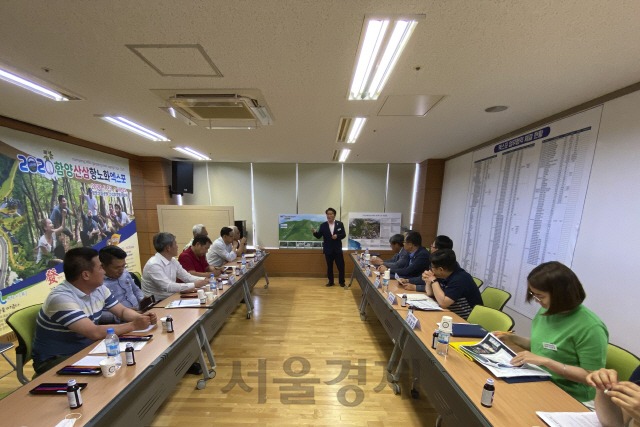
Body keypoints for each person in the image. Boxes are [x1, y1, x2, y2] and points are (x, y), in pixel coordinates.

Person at [495, 261, 609, 405]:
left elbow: (592, 376)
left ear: (561, 295)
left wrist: (547, 362)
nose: (536, 300)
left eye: (540, 296)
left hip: (572, 395)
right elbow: (543, 345)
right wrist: (512, 338)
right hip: (539, 378)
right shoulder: (546, 311)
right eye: (533, 294)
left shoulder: (591, 327)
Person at [30, 247, 156, 376]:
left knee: (128, 360)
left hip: (88, 349)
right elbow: (94, 332)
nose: (103, 271)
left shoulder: (99, 289)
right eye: (100, 268)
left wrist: (142, 318)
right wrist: (134, 325)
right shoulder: (61, 298)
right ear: (86, 275)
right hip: (55, 359)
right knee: (114, 371)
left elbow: (122, 311)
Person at [401, 249, 482, 320]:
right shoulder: (444, 274)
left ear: (441, 269)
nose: (430, 269)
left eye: (432, 267)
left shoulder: (460, 279)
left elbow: (443, 303)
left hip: (464, 319)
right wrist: (428, 280)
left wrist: (433, 281)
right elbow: (430, 293)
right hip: (449, 313)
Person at [141, 232, 208, 300]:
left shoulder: (172, 260)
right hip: (157, 303)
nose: (177, 246)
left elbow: (186, 277)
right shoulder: (154, 265)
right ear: (168, 247)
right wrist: (194, 284)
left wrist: (205, 280)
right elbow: (168, 286)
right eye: (175, 244)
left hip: (171, 297)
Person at [98, 245, 146, 324]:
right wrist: (123, 316)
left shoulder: (125, 273)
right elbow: (97, 314)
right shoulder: (99, 284)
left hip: (140, 313)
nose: (121, 270)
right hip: (120, 323)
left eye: (123, 266)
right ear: (103, 266)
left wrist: (142, 300)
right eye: (117, 268)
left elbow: (136, 290)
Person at [312, 208, 346, 287]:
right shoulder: (323, 225)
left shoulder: (340, 224)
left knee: (341, 266)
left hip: (337, 249)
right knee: (329, 267)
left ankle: (342, 282)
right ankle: (331, 282)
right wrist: (315, 233)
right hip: (328, 249)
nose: (329, 215)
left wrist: (337, 236)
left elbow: (343, 235)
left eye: (331, 214)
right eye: (328, 214)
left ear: (334, 215)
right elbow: (319, 236)